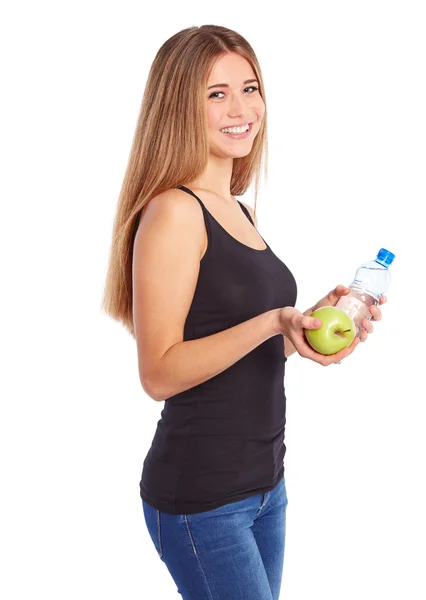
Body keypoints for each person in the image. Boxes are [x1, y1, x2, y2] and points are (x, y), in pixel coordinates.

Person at [100, 24, 386, 600]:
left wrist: (303, 325)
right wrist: (271, 320)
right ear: (180, 106)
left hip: (264, 487)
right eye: (216, 93)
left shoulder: (236, 209)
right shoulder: (174, 212)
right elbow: (158, 373)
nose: (241, 108)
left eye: (250, 88)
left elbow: (235, 341)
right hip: (203, 499)